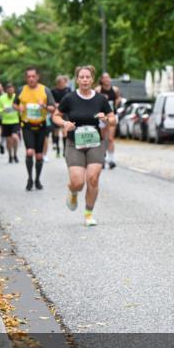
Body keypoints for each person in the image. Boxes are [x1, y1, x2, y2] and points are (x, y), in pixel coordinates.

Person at [53, 65, 116, 227]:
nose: (85, 80)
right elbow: (56, 116)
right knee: (78, 182)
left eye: (87, 77)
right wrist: (64, 123)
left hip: (95, 143)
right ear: (77, 80)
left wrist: (105, 119)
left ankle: (88, 214)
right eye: (82, 77)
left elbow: (113, 119)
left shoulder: (100, 99)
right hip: (75, 143)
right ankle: (73, 192)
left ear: (92, 79)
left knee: (93, 179)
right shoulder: (70, 98)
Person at [15, 66, 55, 190]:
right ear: (26, 78)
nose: (31, 79)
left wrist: (44, 106)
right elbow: (14, 104)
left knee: (38, 156)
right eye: (28, 77)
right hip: (27, 125)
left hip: (41, 125)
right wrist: (19, 108)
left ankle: (37, 179)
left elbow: (53, 108)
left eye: (33, 76)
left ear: (37, 77)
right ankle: (29, 179)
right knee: (29, 152)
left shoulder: (45, 90)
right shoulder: (21, 90)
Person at [98, 73, 121, 169]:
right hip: (102, 117)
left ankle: (111, 159)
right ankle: (102, 158)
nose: (107, 79)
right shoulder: (98, 90)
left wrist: (117, 102)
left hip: (112, 116)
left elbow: (118, 97)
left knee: (111, 138)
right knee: (103, 138)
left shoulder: (115, 89)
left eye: (108, 77)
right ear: (102, 80)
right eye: (105, 78)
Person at [0, 82, 20, 163]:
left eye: (12, 89)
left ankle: (15, 154)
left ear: (14, 90)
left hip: (15, 121)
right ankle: (10, 156)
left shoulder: (17, 97)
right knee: (8, 141)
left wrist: (19, 109)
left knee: (15, 138)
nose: (10, 91)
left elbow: (21, 108)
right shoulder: (2, 98)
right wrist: (2, 110)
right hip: (5, 122)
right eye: (9, 89)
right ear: (6, 90)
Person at [50, 75, 71, 158]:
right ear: (58, 82)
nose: (62, 83)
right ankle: (57, 148)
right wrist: (56, 104)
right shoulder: (54, 91)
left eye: (63, 82)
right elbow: (51, 101)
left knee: (64, 131)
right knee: (56, 131)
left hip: (66, 112)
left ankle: (65, 151)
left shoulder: (68, 90)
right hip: (57, 111)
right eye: (61, 82)